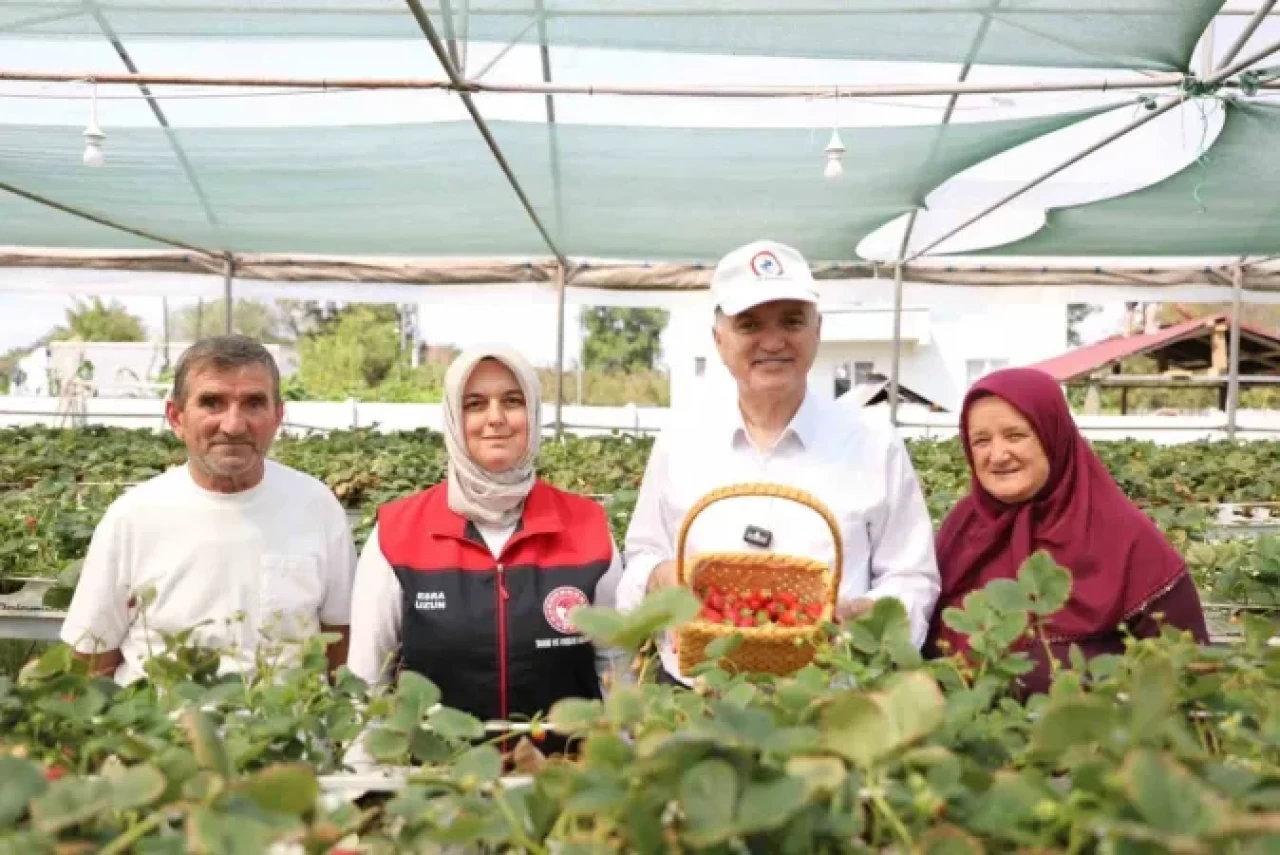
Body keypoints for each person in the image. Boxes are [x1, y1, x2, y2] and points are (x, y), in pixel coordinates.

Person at [618, 239, 941, 685]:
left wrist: (871, 615)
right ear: (719, 339)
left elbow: (913, 576)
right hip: (697, 698)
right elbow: (641, 554)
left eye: (792, 321)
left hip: (832, 701)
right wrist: (658, 577)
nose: (773, 341)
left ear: (817, 330)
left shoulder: (873, 443)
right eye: (749, 324)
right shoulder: (681, 441)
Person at [347, 346, 623, 734]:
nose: (495, 419)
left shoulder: (587, 528)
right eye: (475, 404)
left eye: (512, 401)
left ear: (533, 412)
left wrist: (619, 770)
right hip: (437, 781)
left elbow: (616, 665)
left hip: (562, 782)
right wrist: (368, 783)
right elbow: (367, 679)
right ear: (453, 418)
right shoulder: (397, 533)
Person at [60, 335, 357, 684]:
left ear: (278, 416)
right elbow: (91, 659)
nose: (233, 425)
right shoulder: (133, 517)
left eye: (253, 403)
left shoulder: (316, 506)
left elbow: (342, 643)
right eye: (212, 403)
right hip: (161, 733)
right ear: (176, 416)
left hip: (287, 732)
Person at [928, 367, 1209, 695]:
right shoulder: (961, 530)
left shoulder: (1124, 535)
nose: (998, 455)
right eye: (981, 441)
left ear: (1053, 435)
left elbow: (1190, 674)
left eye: (1015, 435)